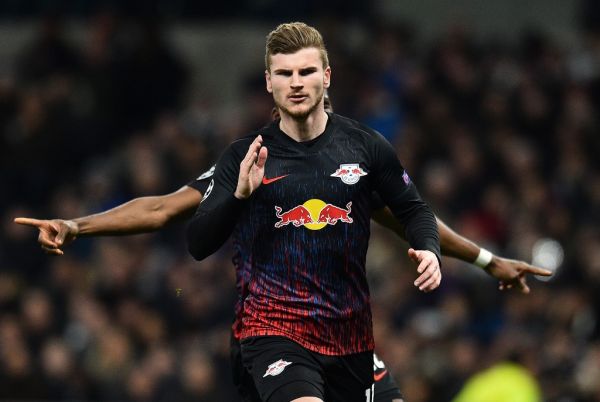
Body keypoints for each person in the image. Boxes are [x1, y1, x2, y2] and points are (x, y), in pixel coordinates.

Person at [14, 38, 552, 402]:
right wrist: (77, 225)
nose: (296, 83)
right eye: (284, 73)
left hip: (348, 341)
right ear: (269, 83)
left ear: (326, 76)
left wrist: (487, 260)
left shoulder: (362, 152)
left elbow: (411, 216)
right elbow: (162, 208)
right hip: (272, 337)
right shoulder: (247, 158)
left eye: (306, 71)